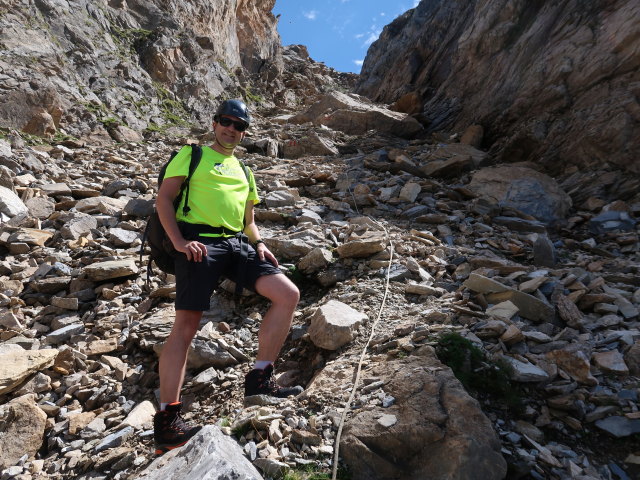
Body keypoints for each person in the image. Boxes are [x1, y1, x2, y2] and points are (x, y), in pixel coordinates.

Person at [152, 99, 302, 455]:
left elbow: (249, 219)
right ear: (215, 122)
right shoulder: (192, 156)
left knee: (287, 294)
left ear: (245, 132)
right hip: (198, 243)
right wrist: (179, 242)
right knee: (187, 325)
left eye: (239, 125)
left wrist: (260, 244)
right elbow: (163, 200)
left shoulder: (246, 171)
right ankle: (168, 424)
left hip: (238, 244)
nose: (231, 129)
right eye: (226, 121)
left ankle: (259, 380)